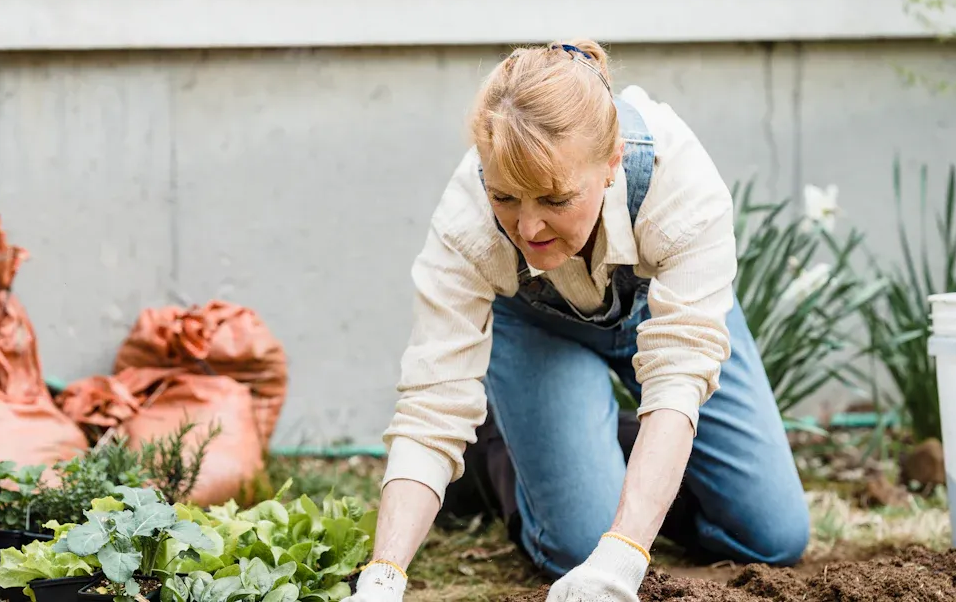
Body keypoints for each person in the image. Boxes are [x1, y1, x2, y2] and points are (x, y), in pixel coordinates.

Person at [345, 39, 810, 602]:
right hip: (538, 330)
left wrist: (626, 553)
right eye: (506, 198)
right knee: (579, 545)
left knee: (772, 536)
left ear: (611, 161)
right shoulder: (465, 223)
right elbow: (432, 404)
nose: (530, 226)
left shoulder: (676, 178)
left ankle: (586, 444)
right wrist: (383, 577)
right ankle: (502, 450)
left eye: (555, 198)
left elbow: (679, 374)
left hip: (663, 317)